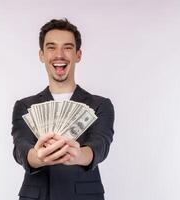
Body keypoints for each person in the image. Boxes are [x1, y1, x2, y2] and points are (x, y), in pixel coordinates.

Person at [11, 18, 115, 200]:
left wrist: (78, 155)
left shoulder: (101, 105)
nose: (59, 55)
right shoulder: (25, 106)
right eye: (51, 47)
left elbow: (100, 146)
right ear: (41, 55)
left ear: (78, 55)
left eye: (67, 47)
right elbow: (21, 149)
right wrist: (39, 157)